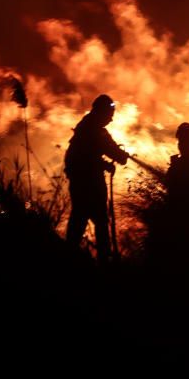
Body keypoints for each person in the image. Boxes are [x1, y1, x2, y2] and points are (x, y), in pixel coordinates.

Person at [64, 94, 129, 263]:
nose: (111, 119)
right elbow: (110, 151)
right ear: (101, 112)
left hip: (81, 180)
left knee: (80, 217)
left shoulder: (87, 127)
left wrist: (105, 164)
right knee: (98, 220)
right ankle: (103, 260)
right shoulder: (94, 129)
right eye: (109, 115)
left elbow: (89, 154)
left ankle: (68, 255)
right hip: (89, 183)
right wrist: (120, 156)